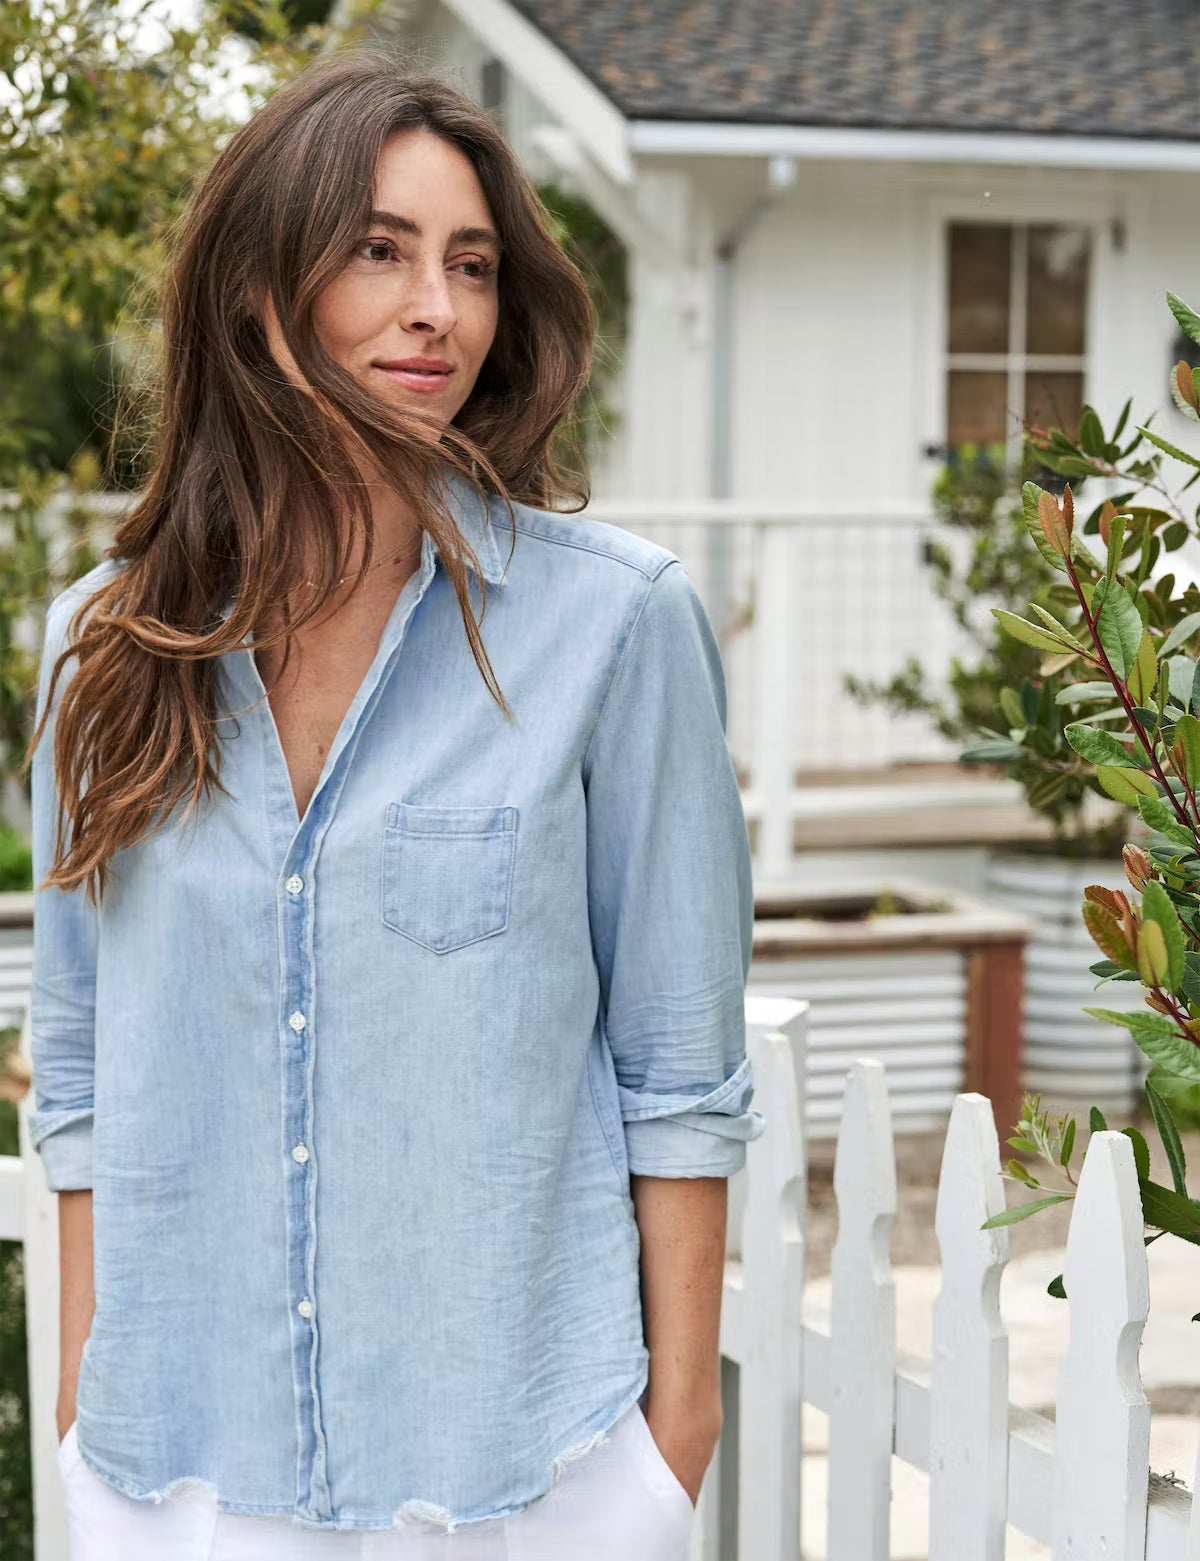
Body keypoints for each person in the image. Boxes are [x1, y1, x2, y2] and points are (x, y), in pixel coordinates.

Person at [26, 42, 765, 1561]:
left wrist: (667, 1446)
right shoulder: (103, 650)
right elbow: (84, 1061)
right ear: (257, 288)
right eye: (381, 251)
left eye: (473, 263)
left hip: (522, 1475)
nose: (440, 309)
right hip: (174, 1475)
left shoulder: (615, 631)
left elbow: (680, 1077)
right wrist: (85, 1410)